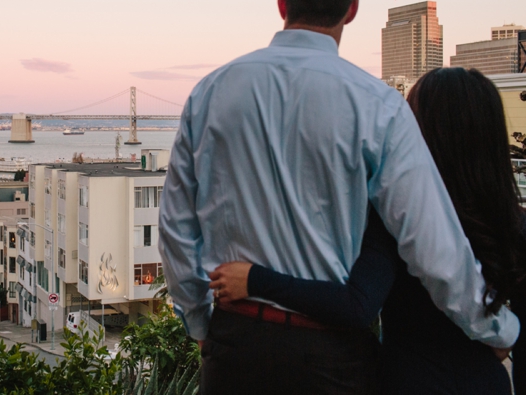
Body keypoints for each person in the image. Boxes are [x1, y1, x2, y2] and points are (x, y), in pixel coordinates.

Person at [158, 0, 519, 395]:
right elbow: (433, 244)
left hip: (236, 344)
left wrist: (200, 322)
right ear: (351, 11)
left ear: (282, 4)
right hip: (329, 355)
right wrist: (497, 329)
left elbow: (175, 226)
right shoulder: (378, 106)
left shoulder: (210, 91)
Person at [210, 67, 526, 394]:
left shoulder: (397, 217)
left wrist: (254, 280)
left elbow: (357, 304)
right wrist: (507, 332)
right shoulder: (514, 226)